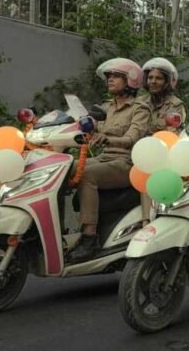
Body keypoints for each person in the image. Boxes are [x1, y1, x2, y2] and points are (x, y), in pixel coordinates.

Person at [67, 58, 150, 262]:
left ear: (130, 81)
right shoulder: (107, 107)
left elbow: (132, 138)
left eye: (115, 76)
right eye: (109, 77)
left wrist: (108, 138)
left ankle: (89, 238)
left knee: (86, 175)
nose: (110, 80)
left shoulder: (139, 108)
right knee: (66, 167)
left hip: (127, 163)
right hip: (105, 159)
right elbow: (89, 124)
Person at [137, 57, 187, 223]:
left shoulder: (175, 105)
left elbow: (172, 133)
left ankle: (147, 221)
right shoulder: (140, 102)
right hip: (136, 150)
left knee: (147, 169)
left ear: (167, 82)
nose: (153, 81)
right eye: (150, 78)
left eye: (158, 78)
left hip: (162, 154)